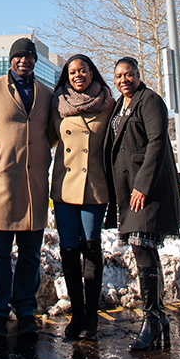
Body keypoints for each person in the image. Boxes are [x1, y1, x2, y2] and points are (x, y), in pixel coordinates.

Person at [0, 38, 53, 338]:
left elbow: (52, 130)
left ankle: (26, 308)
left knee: (31, 254)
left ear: (34, 61)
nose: (24, 61)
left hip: (34, 186)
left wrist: (41, 153)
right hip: (2, 181)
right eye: (19, 57)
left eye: (29, 57)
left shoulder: (46, 92)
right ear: (11, 60)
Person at [104, 57, 180, 351]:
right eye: (118, 76)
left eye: (129, 74)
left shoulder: (149, 100)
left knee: (142, 248)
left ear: (139, 75)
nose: (123, 80)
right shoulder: (119, 104)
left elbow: (157, 142)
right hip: (127, 191)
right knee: (144, 249)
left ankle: (151, 319)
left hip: (146, 190)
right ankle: (158, 316)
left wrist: (142, 185)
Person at [50, 54, 115, 340]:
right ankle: (76, 315)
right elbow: (42, 138)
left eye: (83, 70)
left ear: (92, 73)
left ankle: (91, 317)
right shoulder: (57, 103)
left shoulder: (108, 102)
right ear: (67, 75)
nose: (79, 75)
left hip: (94, 186)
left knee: (91, 248)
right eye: (73, 71)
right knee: (68, 250)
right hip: (65, 187)